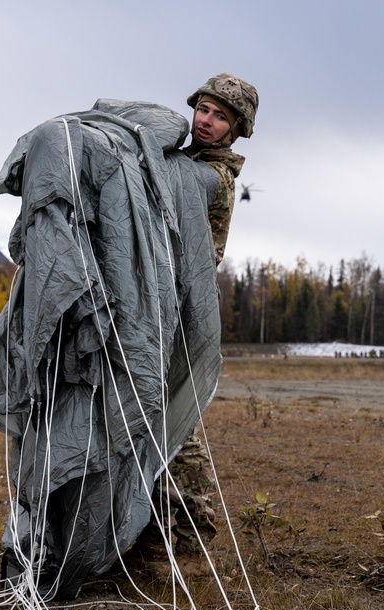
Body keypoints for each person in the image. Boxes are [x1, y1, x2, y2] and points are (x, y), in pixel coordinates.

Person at [131, 72, 258, 575]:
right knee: (148, 419)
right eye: (203, 110)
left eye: (220, 116)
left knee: (179, 426)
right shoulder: (181, 163)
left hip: (179, 313)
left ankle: (189, 540)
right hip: (151, 307)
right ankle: (147, 532)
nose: (205, 121)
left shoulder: (213, 181)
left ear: (235, 129)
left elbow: (194, 257)